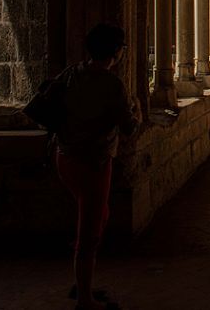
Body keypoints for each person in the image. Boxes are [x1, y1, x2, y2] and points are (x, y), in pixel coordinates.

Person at [55, 23, 139, 310]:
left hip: (64, 158)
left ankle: (83, 281)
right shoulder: (111, 84)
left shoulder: (72, 73)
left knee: (97, 217)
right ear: (116, 52)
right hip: (93, 162)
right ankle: (85, 300)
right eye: (122, 47)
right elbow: (129, 127)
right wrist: (137, 113)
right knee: (90, 228)